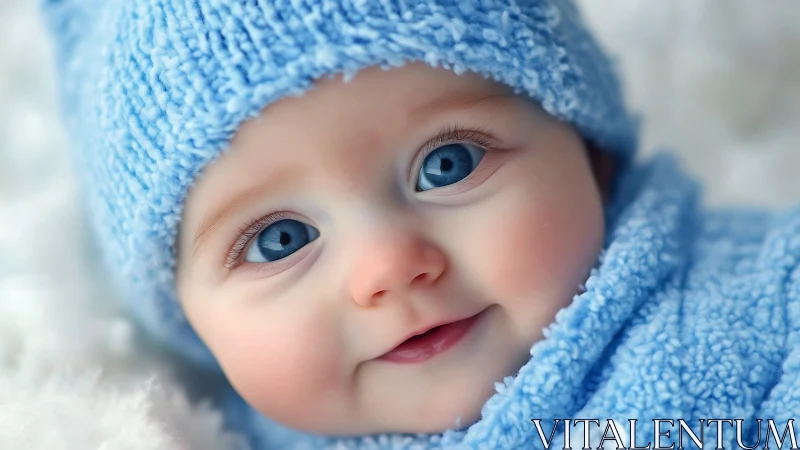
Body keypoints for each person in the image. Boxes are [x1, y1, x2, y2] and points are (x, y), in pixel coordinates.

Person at [41, 0, 800, 448]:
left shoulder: (763, 306)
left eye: (449, 165)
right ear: (191, 322)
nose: (388, 266)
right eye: (281, 240)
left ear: (588, 149)